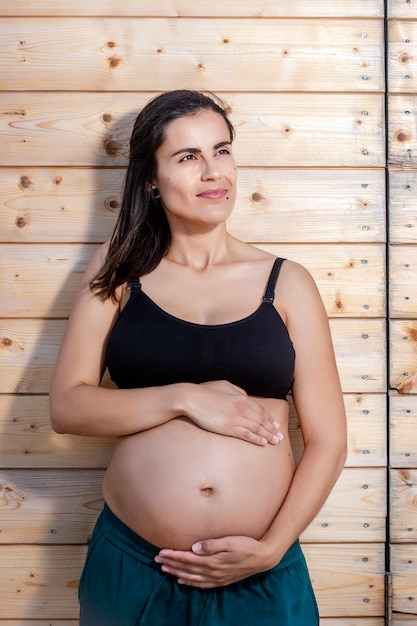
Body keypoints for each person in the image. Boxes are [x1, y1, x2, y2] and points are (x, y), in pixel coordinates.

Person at [49, 89, 347, 625]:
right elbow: (67, 408)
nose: (214, 171)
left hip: (261, 570)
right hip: (136, 565)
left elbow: (329, 440)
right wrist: (187, 399)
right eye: (188, 157)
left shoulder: (288, 284)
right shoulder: (117, 272)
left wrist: (273, 548)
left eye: (222, 150)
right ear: (150, 178)